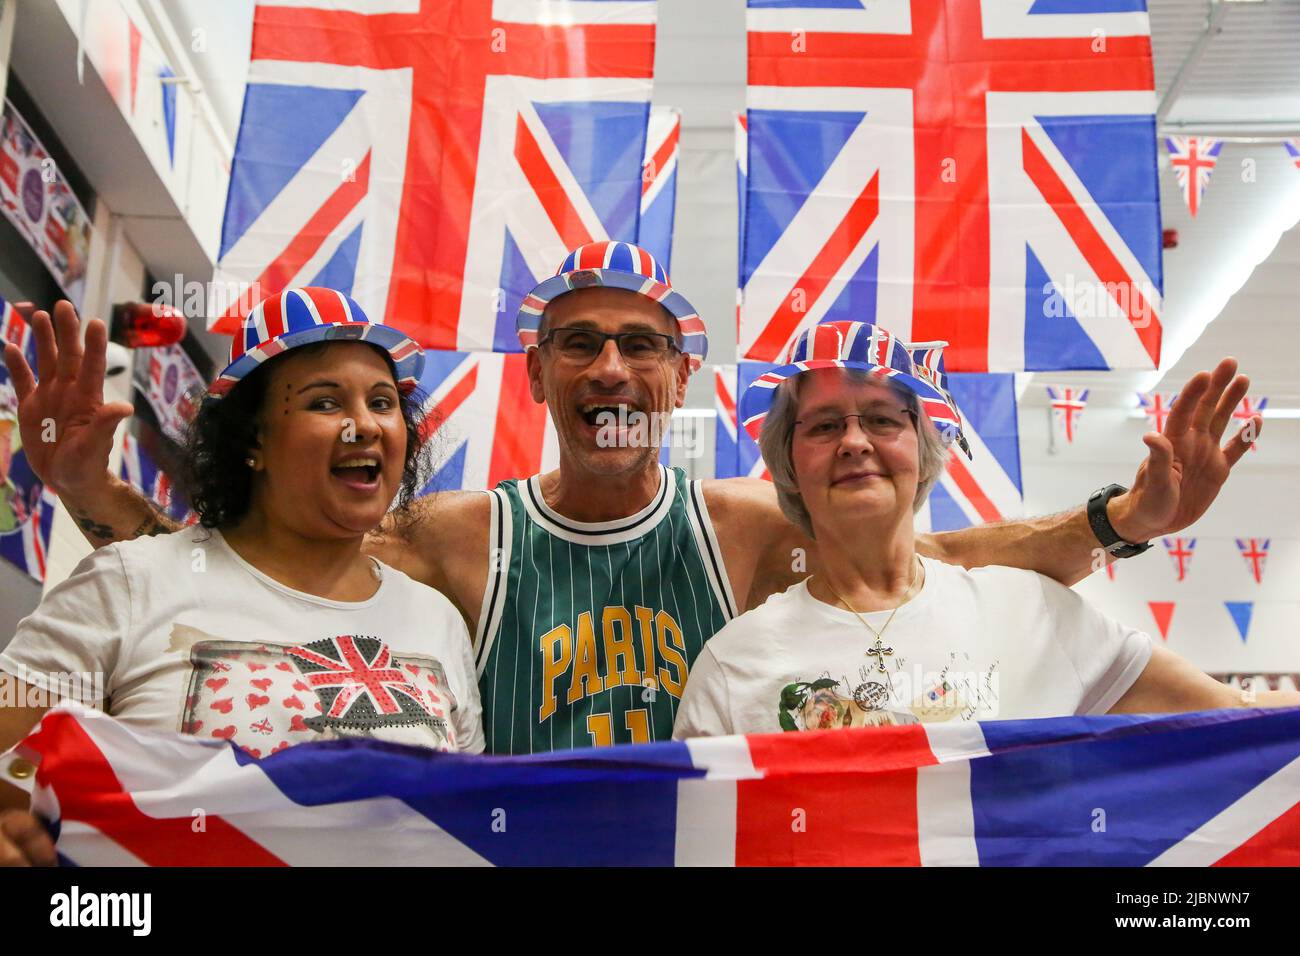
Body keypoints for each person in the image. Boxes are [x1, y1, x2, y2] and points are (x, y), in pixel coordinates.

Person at [3, 242, 1261, 754]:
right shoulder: (453, 538)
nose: (610, 364)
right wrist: (96, 492)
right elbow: (256, 568)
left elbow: (929, 551)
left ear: (678, 376)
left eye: (639, 344)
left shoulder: (745, 526)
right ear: (539, 373)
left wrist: (1117, 523)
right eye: (579, 342)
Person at [0, 287, 485, 865]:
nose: (365, 426)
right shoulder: (126, 583)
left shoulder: (437, 622)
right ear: (252, 439)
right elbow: (10, 790)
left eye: (382, 403)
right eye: (325, 403)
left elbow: (462, 832)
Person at [672, 321, 1293, 738]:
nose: (855, 442)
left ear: (923, 452)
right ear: (788, 463)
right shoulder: (734, 664)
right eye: (824, 425)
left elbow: (1234, 729)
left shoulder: (1033, 611)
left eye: (884, 420)